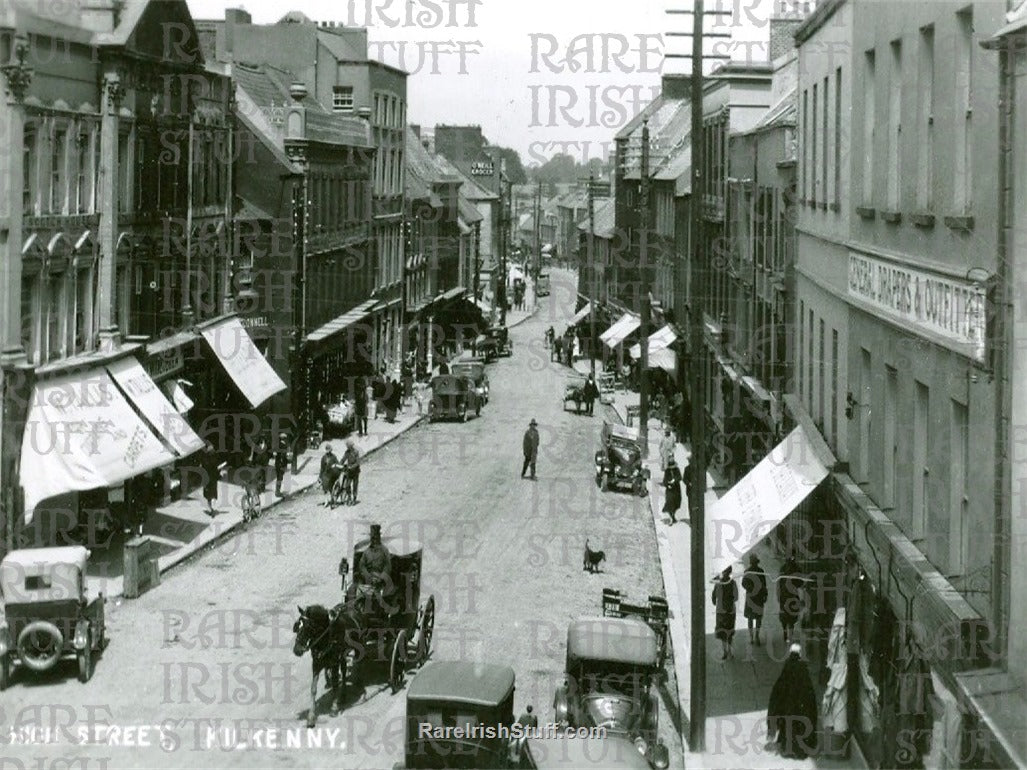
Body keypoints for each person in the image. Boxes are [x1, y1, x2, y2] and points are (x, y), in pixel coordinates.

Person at [767, 644, 819, 759]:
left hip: (788, 707)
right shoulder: (803, 669)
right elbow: (809, 691)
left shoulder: (787, 668)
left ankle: (788, 748)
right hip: (801, 706)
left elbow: (777, 693)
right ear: (800, 655)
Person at [355, 523, 394, 616]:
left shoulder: (384, 551)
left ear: (379, 538)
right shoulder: (367, 551)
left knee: (380, 596)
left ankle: (383, 614)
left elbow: (388, 566)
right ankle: (359, 611)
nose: (374, 540)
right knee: (358, 592)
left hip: (381, 580)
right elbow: (362, 565)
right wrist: (367, 576)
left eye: (376, 538)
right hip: (368, 578)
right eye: (372, 538)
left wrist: (380, 578)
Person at [742, 554, 769, 645]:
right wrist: (765, 595)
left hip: (751, 597)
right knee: (758, 618)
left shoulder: (747, 571)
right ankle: (756, 636)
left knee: (750, 618)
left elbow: (743, 584)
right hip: (758, 597)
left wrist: (750, 588)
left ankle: (752, 637)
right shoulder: (760, 571)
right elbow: (764, 585)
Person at [712, 566, 738, 660]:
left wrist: (717, 602)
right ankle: (730, 652)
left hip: (720, 611)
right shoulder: (733, 583)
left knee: (722, 632)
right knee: (730, 632)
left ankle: (725, 652)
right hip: (731, 611)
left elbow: (713, 598)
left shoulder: (718, 584)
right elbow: (736, 597)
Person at [778, 554, 804, 645]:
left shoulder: (783, 568)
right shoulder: (797, 569)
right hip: (792, 595)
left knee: (785, 615)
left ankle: (785, 633)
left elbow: (779, 583)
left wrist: (779, 595)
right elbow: (801, 583)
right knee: (792, 617)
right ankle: (790, 636)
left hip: (784, 596)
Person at [200, 442, 221, 516]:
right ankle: (212, 508)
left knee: (208, 495)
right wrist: (219, 475)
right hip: (213, 479)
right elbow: (216, 469)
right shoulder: (214, 459)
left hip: (207, 480)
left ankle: (211, 509)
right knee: (213, 494)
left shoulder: (204, 460)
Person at [662, 457, 682, 525]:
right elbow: (664, 481)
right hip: (670, 490)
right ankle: (671, 518)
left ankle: (673, 516)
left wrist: (675, 480)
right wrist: (668, 485)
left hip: (676, 489)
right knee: (670, 503)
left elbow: (680, 477)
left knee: (676, 503)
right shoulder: (667, 471)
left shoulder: (677, 470)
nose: (671, 468)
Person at [340, 439, 361, 504]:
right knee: (347, 485)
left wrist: (351, 467)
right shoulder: (347, 452)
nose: (348, 447)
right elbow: (343, 459)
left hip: (355, 471)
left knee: (355, 485)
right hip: (349, 471)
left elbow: (358, 463)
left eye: (348, 446)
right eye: (347, 446)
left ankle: (354, 498)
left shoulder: (356, 452)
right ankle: (349, 496)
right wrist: (339, 464)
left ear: (351, 446)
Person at [274, 433, 291, 498]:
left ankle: (277, 491)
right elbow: (284, 456)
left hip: (278, 463)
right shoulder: (283, 446)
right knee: (280, 478)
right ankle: (277, 492)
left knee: (279, 477)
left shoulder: (277, 445)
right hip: (281, 464)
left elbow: (275, 455)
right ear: (284, 439)